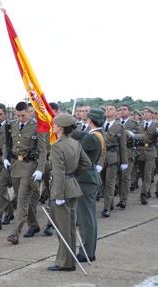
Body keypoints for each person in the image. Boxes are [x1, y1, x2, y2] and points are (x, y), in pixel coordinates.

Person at [47, 113, 91, 272]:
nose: (53, 126)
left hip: (62, 190)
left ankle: (66, 263)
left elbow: (58, 173)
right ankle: (68, 259)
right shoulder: (75, 143)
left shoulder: (58, 146)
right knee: (70, 226)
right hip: (72, 186)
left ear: (61, 127)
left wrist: (58, 195)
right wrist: (72, 174)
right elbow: (87, 163)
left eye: (55, 124)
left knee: (63, 227)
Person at [6, 102, 47, 245]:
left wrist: (40, 169)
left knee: (22, 199)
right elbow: (8, 143)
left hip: (30, 167)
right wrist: (6, 158)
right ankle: (34, 225)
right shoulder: (13, 125)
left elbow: (43, 151)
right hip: (16, 166)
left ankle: (15, 233)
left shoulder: (37, 127)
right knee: (24, 200)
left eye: (22, 115)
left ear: (29, 112)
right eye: (17, 115)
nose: (20, 118)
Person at [76, 109, 105, 262]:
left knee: (85, 219)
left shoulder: (92, 138)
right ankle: (89, 251)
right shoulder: (96, 134)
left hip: (85, 180)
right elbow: (82, 135)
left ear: (90, 120)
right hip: (89, 179)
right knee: (89, 217)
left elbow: (78, 147)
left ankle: (86, 252)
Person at [100, 105, 127, 217]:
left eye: (111, 109)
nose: (108, 110)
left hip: (113, 157)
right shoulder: (100, 125)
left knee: (109, 183)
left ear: (116, 113)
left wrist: (124, 161)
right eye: (107, 109)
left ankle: (106, 208)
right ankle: (110, 203)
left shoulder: (119, 127)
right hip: (101, 158)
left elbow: (123, 145)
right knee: (102, 183)